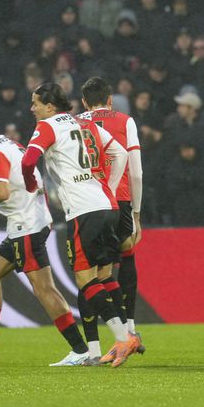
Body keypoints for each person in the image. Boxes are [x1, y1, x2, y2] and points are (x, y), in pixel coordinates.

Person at [0, 103, 90, 367]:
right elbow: (22, 180)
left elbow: (3, 190)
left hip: (26, 225)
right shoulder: (8, 143)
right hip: (29, 220)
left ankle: (81, 349)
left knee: (43, 289)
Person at [21, 82, 139, 368]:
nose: (32, 108)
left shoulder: (47, 127)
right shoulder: (83, 123)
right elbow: (120, 155)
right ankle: (119, 338)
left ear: (50, 106)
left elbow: (28, 161)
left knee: (85, 281)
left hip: (83, 210)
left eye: (35, 102)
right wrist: (108, 188)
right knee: (102, 275)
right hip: (107, 205)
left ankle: (124, 338)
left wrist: (31, 185)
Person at [78, 77, 145, 354]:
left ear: (83, 101)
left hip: (88, 201)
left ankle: (92, 348)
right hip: (121, 198)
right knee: (126, 254)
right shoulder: (125, 121)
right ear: (109, 99)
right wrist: (137, 214)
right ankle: (129, 328)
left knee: (88, 271)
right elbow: (136, 171)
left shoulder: (74, 123)